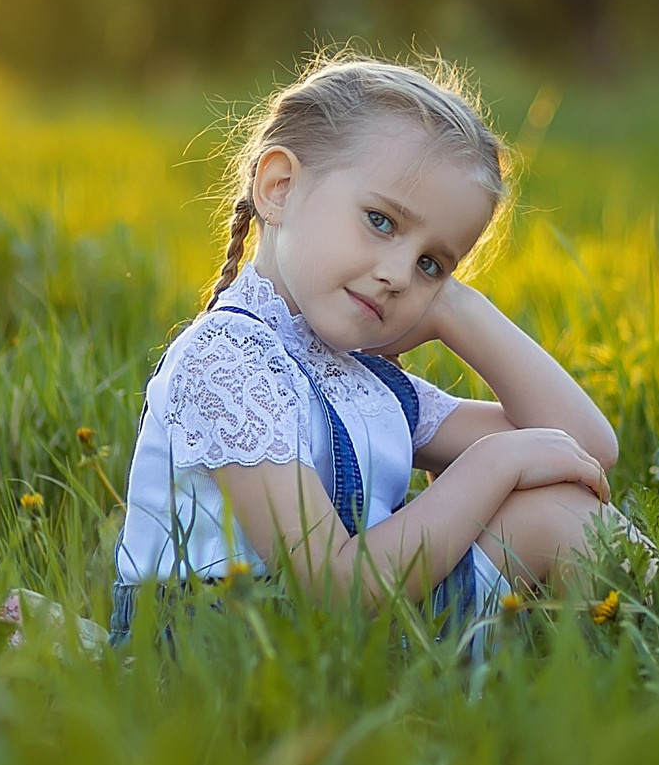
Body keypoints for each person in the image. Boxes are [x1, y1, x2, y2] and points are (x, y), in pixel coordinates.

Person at [111, 55, 626, 643]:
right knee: (553, 519)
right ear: (279, 189)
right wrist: (496, 463)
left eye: (433, 263)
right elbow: (334, 587)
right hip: (230, 666)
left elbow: (585, 448)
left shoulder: (355, 375)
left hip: (335, 647)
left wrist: (459, 310)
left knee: (561, 507)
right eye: (381, 222)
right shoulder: (228, 363)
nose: (401, 275)